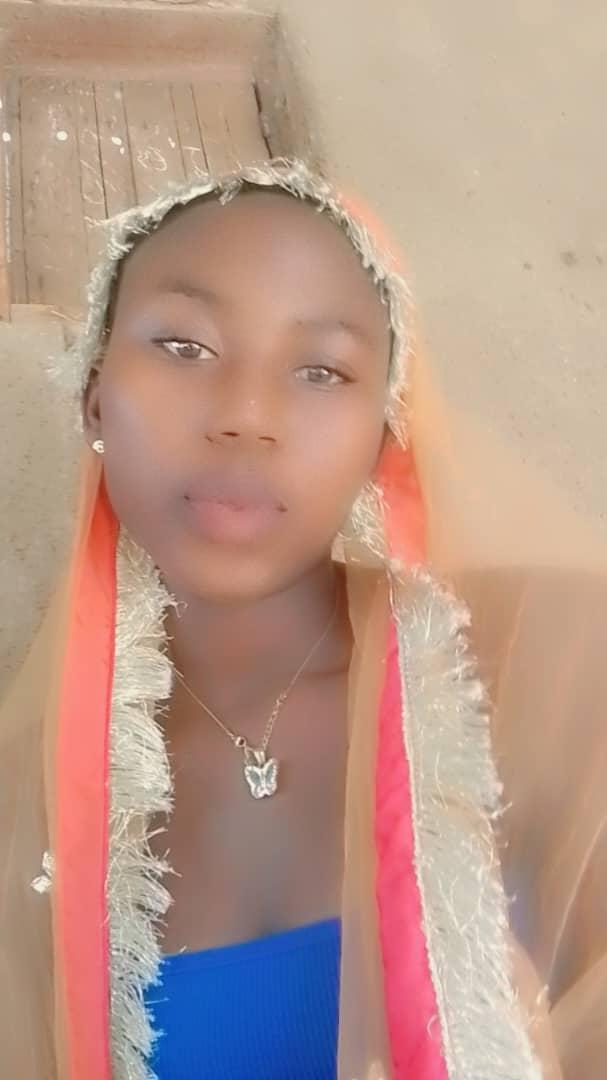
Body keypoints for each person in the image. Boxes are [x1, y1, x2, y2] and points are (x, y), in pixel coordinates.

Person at [0, 159, 605, 1079]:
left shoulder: (536, 669)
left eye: (321, 370)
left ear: (383, 434)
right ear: (93, 395)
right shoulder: (28, 800)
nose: (246, 416)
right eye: (184, 346)